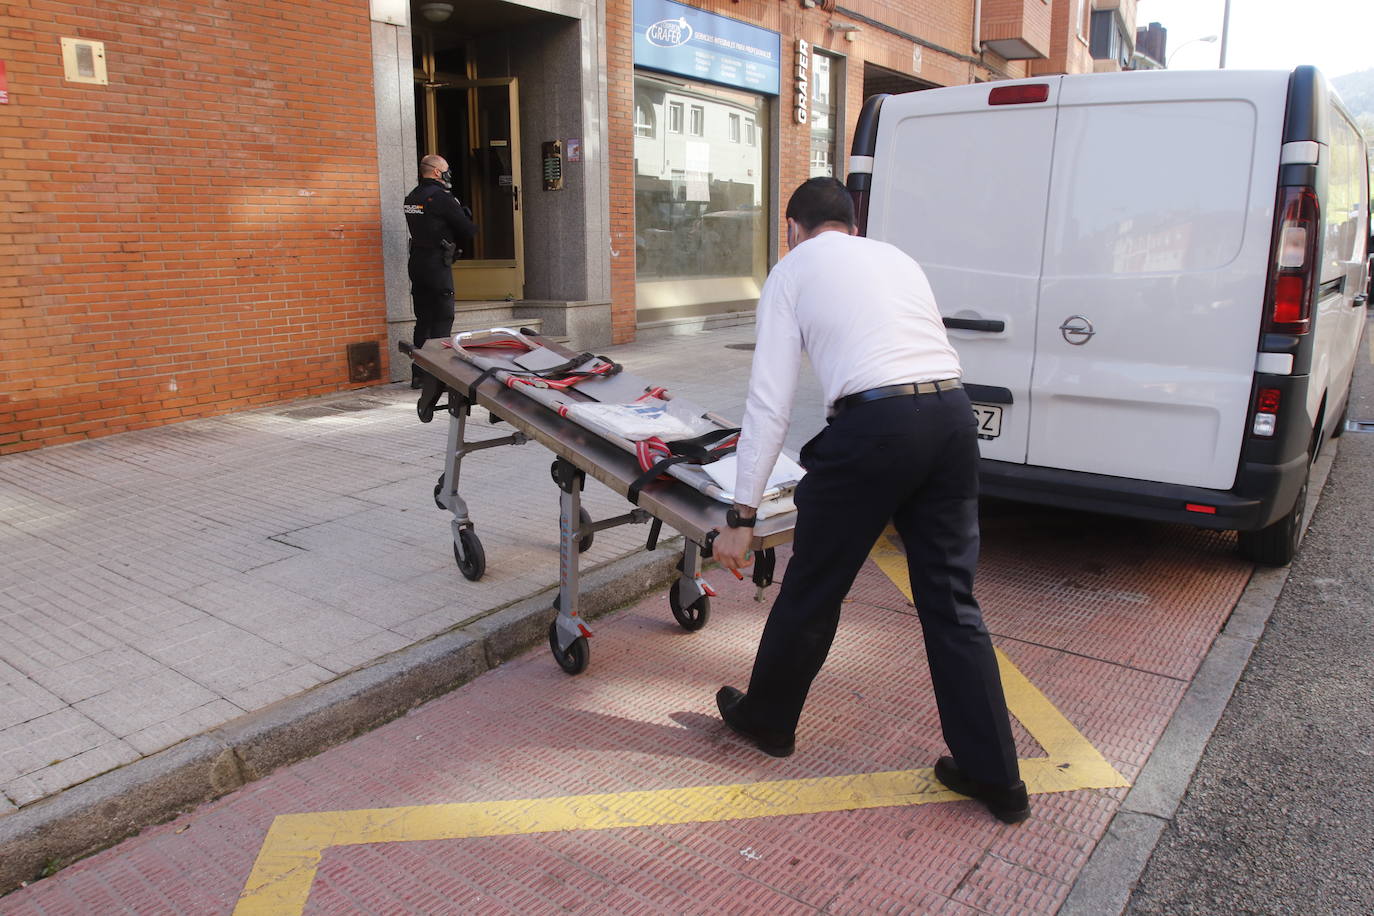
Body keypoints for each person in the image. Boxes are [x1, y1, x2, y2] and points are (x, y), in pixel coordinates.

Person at [710, 177, 1028, 824]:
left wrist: (741, 516)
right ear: (853, 224)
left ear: (794, 227)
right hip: (950, 418)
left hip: (876, 430)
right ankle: (998, 779)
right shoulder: (897, 258)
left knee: (815, 586)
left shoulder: (793, 269)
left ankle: (769, 720)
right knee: (951, 603)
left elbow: (769, 402)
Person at [404, 154, 477, 388]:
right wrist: (464, 213)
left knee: (423, 318)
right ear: (437, 172)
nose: (448, 173)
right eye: (445, 169)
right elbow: (467, 229)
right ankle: (437, 376)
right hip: (437, 263)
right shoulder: (441, 198)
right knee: (443, 317)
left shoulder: (412, 197)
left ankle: (418, 373)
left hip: (417, 262)